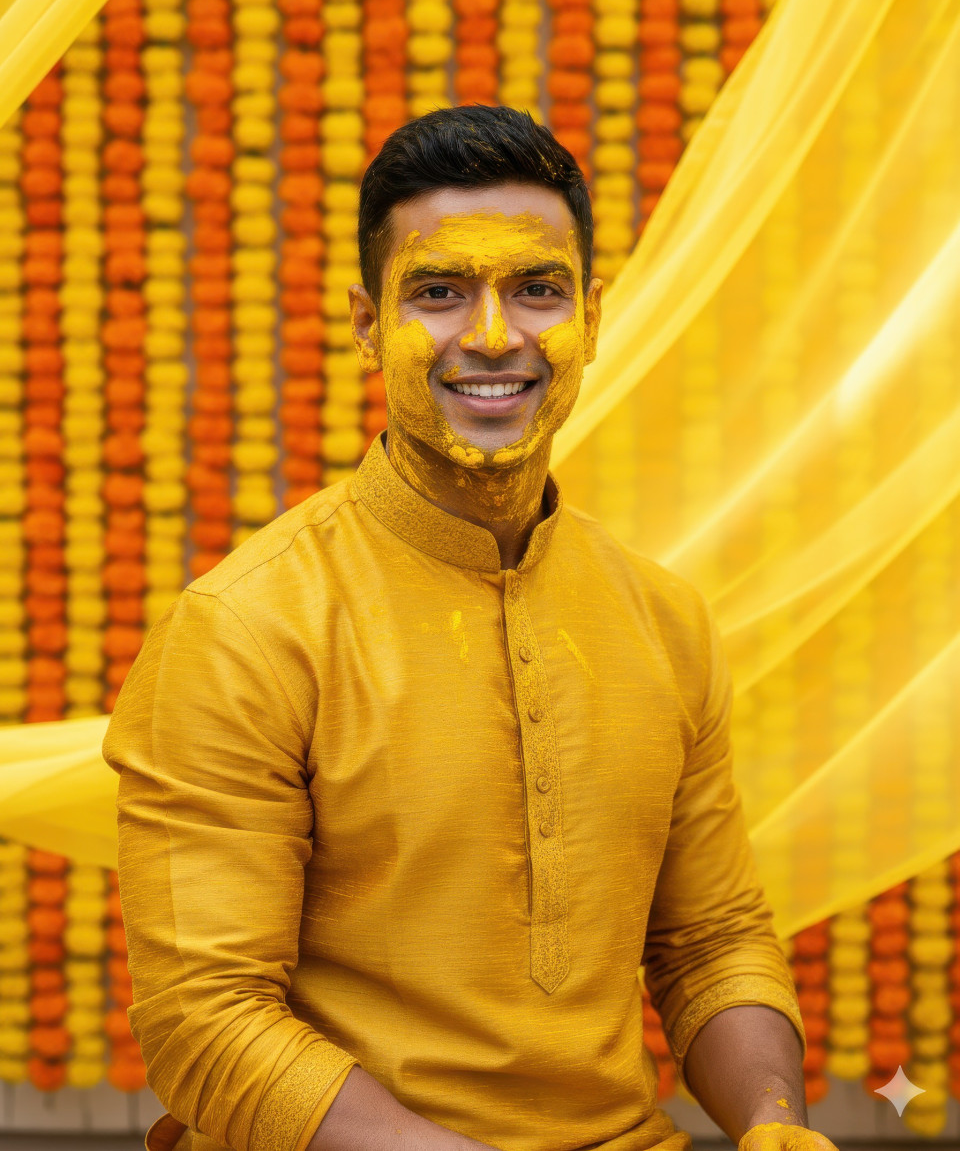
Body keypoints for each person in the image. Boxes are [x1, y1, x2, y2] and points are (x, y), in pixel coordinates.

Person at [103, 105, 836, 1151]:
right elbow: (205, 1022)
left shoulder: (662, 618)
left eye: (536, 291)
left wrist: (774, 1122)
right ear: (366, 323)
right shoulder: (247, 628)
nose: (494, 338)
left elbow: (710, 941)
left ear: (592, 312)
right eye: (440, 294)